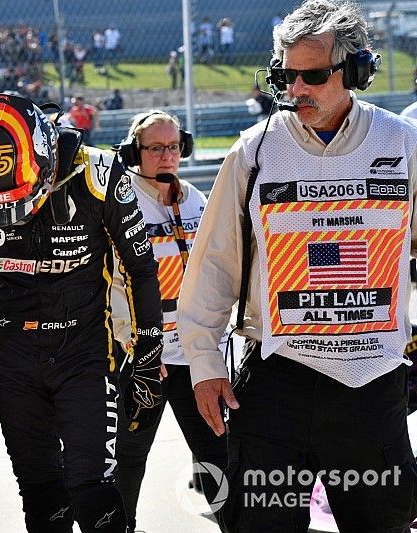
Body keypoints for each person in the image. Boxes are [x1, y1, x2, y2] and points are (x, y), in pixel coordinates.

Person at [178, 1, 417, 531]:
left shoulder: (404, 144)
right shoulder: (254, 151)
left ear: (355, 71)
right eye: (287, 75)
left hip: (372, 383)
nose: (296, 90)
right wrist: (204, 363)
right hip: (275, 384)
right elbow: (214, 266)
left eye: (312, 75)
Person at [0, 91, 164, 533]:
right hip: (15, 355)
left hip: (85, 353)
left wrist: (147, 354)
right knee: (42, 498)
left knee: (92, 493)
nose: (7, 214)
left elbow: (140, 268)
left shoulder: (99, 173)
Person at [110, 110, 228, 532]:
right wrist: (136, 344)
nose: (167, 156)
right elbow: (114, 283)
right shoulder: (121, 203)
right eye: (156, 148)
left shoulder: (195, 198)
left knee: (218, 453)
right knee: (129, 458)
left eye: (174, 146)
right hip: (145, 358)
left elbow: (217, 270)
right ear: (133, 153)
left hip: (195, 358)